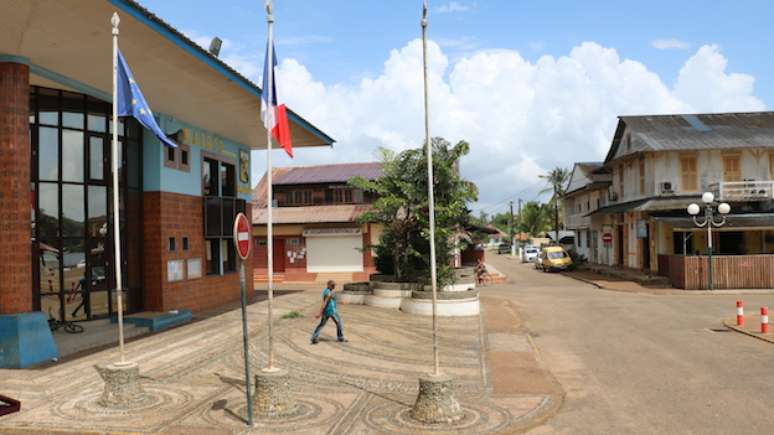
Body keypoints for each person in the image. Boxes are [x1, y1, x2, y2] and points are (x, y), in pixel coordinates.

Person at [310, 280, 347, 344]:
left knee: (322, 324)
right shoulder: (328, 292)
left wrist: (341, 302)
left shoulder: (330, 291)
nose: (334, 286)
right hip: (331, 311)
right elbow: (324, 303)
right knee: (338, 322)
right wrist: (319, 313)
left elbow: (333, 300)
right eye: (332, 285)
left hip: (327, 311)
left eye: (334, 285)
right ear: (328, 285)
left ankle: (314, 337)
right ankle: (340, 337)